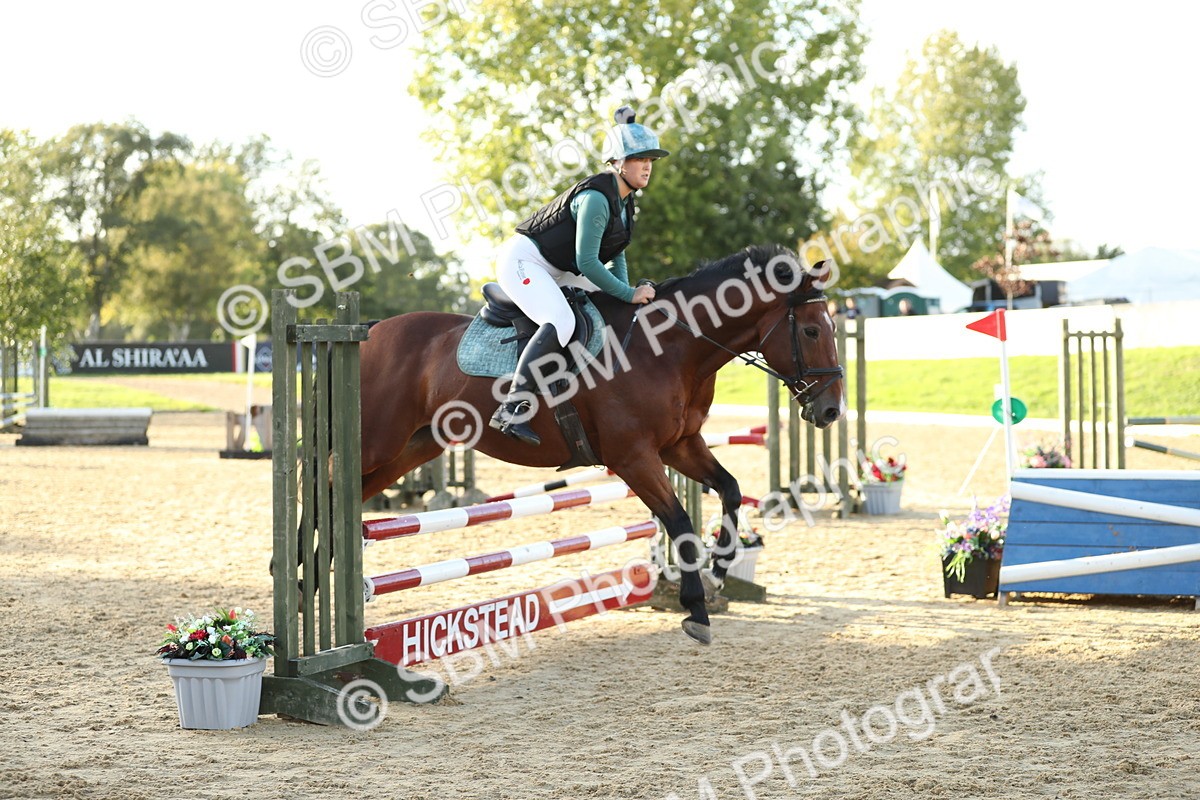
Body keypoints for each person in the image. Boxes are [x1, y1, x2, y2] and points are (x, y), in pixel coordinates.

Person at [488, 106, 666, 446]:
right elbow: (587, 262)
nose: (647, 166)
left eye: (651, 160)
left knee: (603, 308)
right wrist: (629, 295)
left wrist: (624, 295)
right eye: (639, 158)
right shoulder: (597, 198)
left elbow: (615, 254)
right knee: (562, 320)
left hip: (559, 266)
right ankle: (512, 406)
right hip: (524, 260)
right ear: (617, 162)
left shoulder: (626, 202)